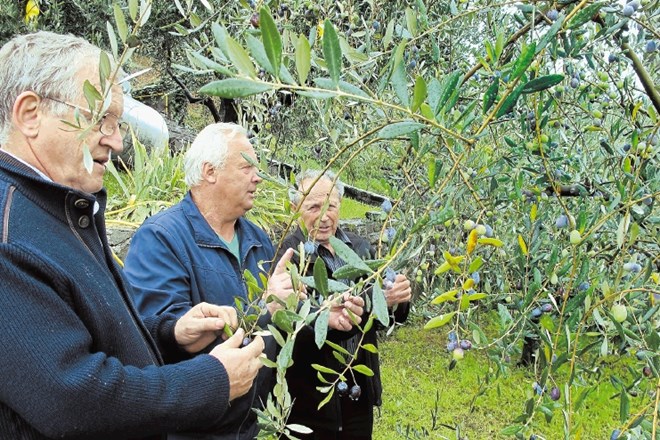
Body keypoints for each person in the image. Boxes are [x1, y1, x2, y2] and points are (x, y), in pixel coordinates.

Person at [0, 31, 266, 440]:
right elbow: (73, 400)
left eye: (118, 122)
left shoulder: (59, 211)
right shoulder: (9, 234)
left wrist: (171, 333)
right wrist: (212, 381)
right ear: (31, 114)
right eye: (102, 118)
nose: (118, 140)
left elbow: (102, 335)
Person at [123, 124, 366, 439]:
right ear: (210, 172)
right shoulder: (161, 238)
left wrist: (317, 318)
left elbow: (278, 326)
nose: (257, 177)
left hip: (249, 426)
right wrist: (265, 305)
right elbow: (157, 338)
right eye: (246, 168)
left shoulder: (257, 240)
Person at [276, 169, 412, 440]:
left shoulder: (360, 249)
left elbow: (385, 318)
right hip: (309, 400)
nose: (325, 216)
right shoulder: (288, 258)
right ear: (295, 208)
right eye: (314, 206)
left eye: (331, 206)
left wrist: (398, 299)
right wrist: (375, 303)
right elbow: (294, 329)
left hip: (358, 388)